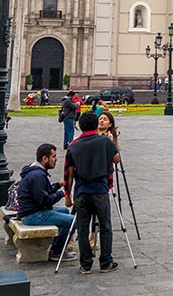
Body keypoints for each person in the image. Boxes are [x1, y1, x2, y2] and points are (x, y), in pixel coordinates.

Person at [65, 111, 120, 274]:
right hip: (100, 190)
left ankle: (85, 264)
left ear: (80, 126)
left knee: (82, 228)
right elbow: (116, 160)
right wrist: (111, 144)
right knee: (105, 226)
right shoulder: (105, 141)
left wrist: (67, 194)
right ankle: (106, 262)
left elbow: (69, 173)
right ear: (96, 124)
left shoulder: (73, 145)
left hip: (81, 191)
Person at [18, 143, 77, 261]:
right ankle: (57, 251)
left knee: (65, 211)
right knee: (72, 221)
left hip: (31, 210)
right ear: (45, 158)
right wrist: (62, 194)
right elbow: (44, 201)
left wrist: (58, 185)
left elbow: (44, 191)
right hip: (32, 214)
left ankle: (56, 244)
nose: (56, 159)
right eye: (53, 156)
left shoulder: (35, 171)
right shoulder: (38, 176)